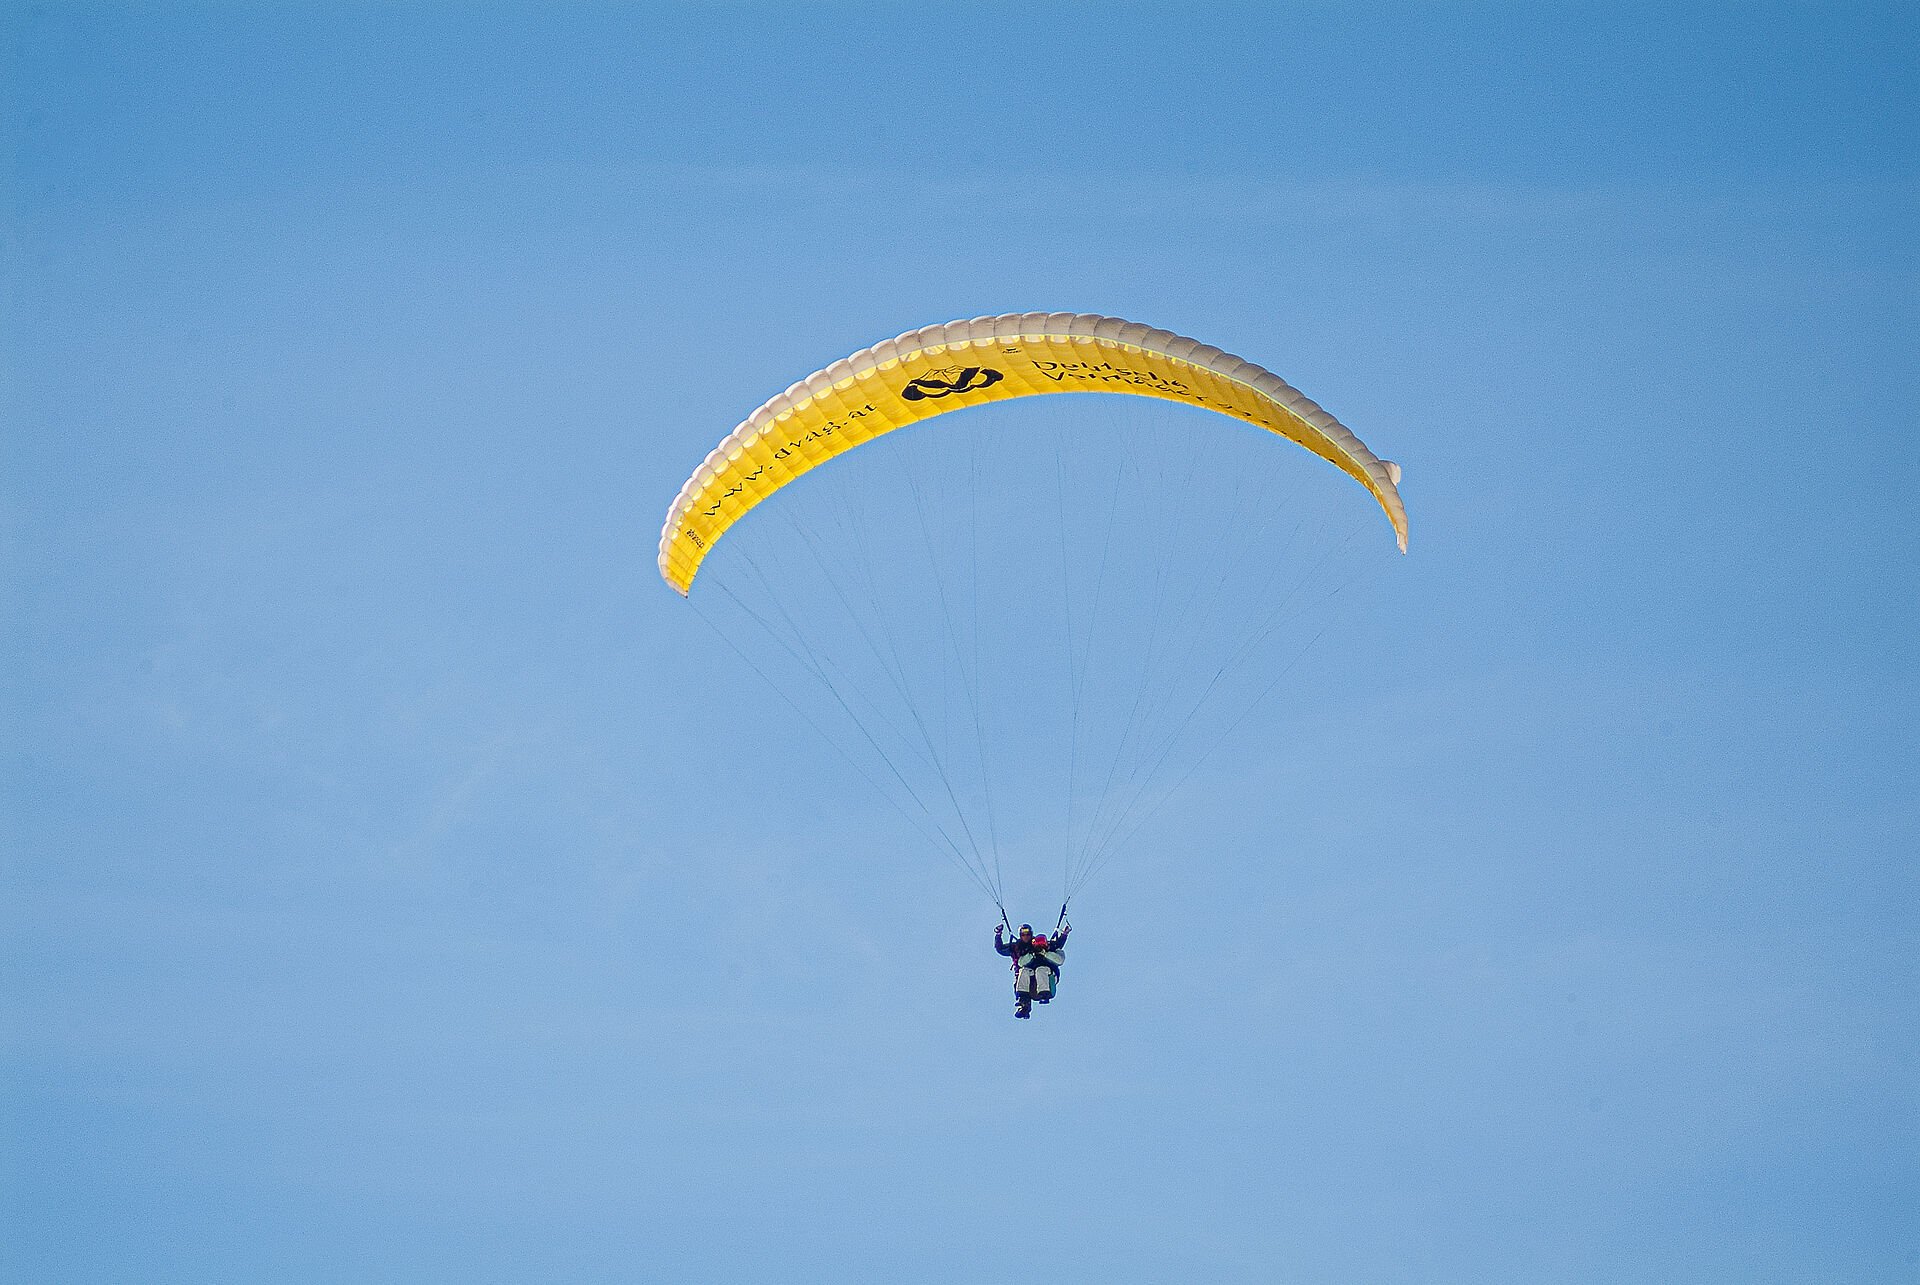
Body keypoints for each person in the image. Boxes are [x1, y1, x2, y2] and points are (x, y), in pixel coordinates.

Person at [994, 921, 1070, 1018]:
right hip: (1031, 978)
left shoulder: (1049, 948)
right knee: (1024, 971)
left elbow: (1058, 947)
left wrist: (1064, 934)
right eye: (1023, 934)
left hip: (1047, 976)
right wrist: (998, 934)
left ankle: (1045, 993)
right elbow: (1001, 949)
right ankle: (1024, 1001)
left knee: (1040, 969)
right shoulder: (1019, 947)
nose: (1026, 936)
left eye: (1028, 934)